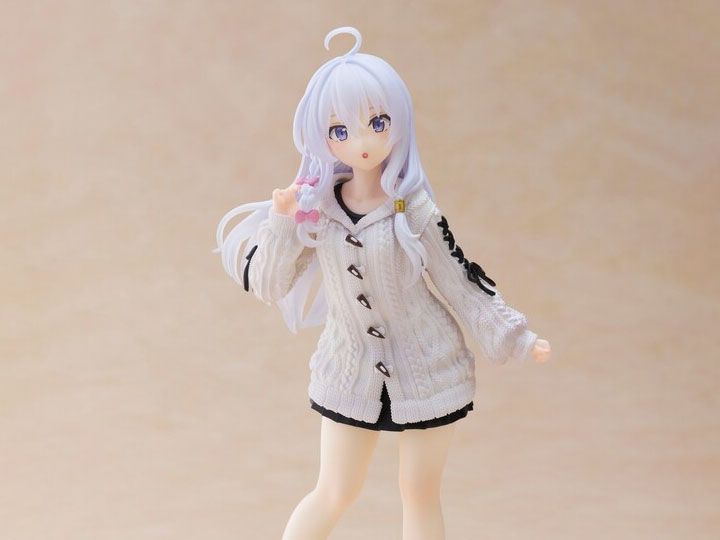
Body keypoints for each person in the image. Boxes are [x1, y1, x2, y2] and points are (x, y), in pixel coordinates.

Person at [213, 25, 552, 540]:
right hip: (348, 370)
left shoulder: (412, 209)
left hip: (429, 367)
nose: (362, 142)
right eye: (340, 130)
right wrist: (282, 222)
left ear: (398, 123)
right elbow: (269, 283)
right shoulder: (316, 208)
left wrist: (516, 335)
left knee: (418, 491)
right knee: (334, 490)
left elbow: (459, 279)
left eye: (377, 123)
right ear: (322, 136)